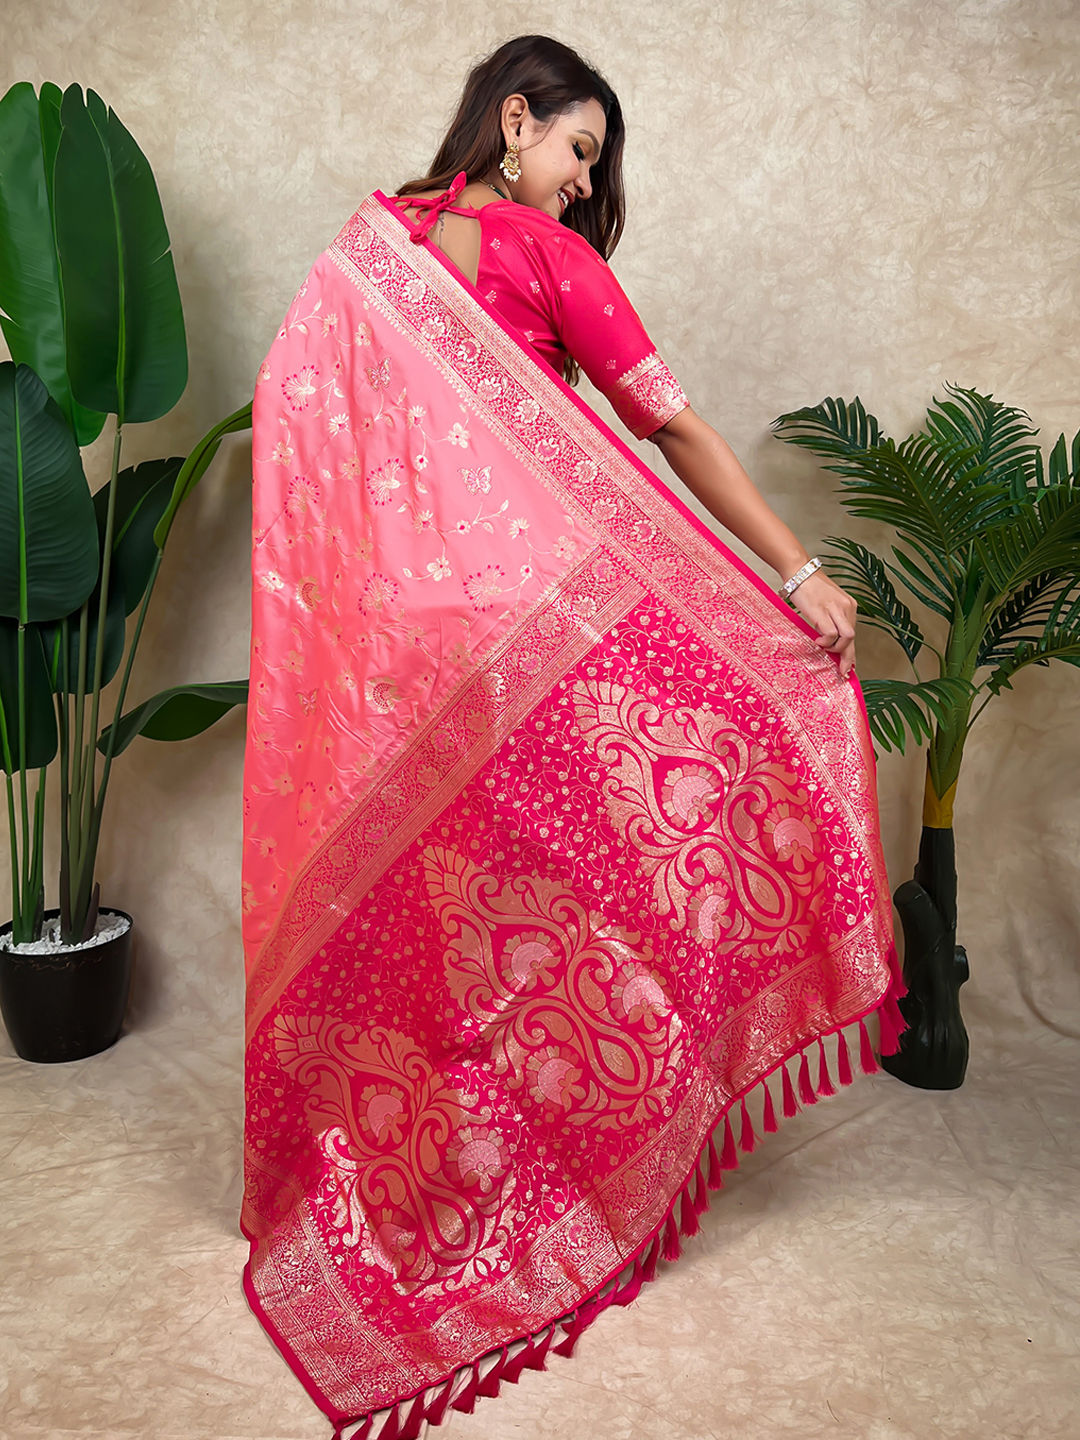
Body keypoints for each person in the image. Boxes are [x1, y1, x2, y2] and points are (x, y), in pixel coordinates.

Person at [241, 35, 906, 1440]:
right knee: (586, 883)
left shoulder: (372, 251)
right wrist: (795, 573)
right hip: (533, 650)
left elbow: (302, 428)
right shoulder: (542, 255)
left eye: (593, 165)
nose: (584, 183)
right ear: (515, 120)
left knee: (443, 909)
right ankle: (567, 1150)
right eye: (578, 150)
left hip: (398, 664)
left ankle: (420, 1159)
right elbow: (677, 431)